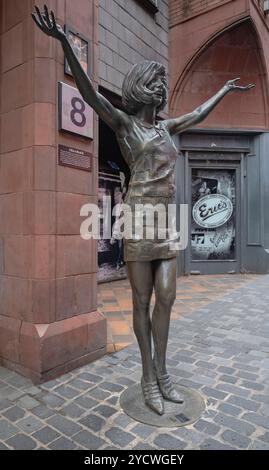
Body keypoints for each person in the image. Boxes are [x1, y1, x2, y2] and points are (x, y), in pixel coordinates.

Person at [32, 5, 254, 415]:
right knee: (141, 300)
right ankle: (148, 376)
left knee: (166, 296)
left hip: (166, 220)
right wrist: (65, 43)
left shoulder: (166, 128)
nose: (160, 88)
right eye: (154, 83)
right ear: (140, 88)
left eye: (161, 83)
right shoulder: (123, 124)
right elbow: (88, 93)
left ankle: (163, 373)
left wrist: (223, 91)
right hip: (138, 217)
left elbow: (198, 114)